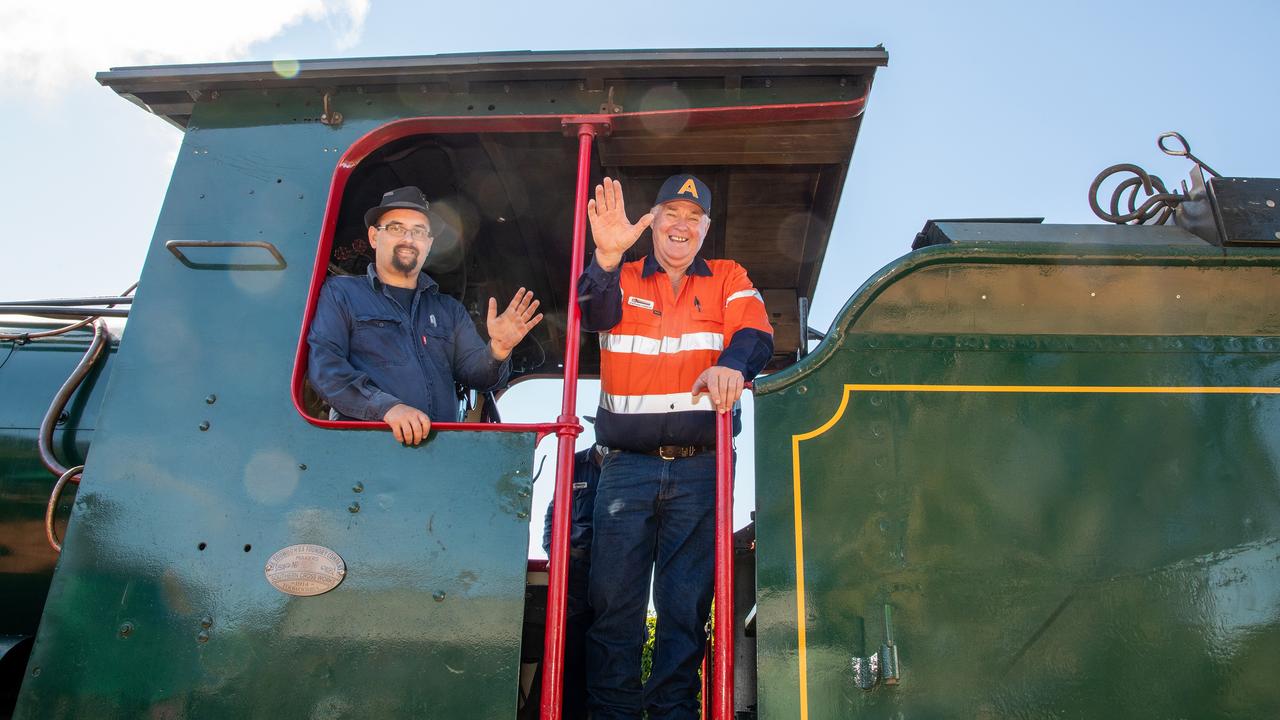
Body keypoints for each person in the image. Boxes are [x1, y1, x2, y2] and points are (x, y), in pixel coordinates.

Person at [577, 174, 774, 719]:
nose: (681, 225)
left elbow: (755, 333)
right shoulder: (621, 274)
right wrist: (607, 257)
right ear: (653, 222)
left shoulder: (730, 276)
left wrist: (733, 366)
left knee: (685, 606)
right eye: (671, 213)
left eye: (693, 216)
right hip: (625, 470)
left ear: (705, 229)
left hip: (701, 470)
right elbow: (591, 313)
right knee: (614, 604)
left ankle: (673, 714)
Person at [308, 186, 543, 445]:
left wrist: (498, 349)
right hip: (366, 454)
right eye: (396, 228)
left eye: (419, 231)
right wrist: (387, 408)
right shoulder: (341, 293)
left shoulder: (449, 310)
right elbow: (327, 371)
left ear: (429, 244)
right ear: (374, 237)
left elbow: (479, 377)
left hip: (438, 457)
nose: (408, 239)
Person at [540, 441, 604, 720]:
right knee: (571, 649)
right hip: (576, 567)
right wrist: (555, 553)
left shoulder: (631, 464)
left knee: (611, 647)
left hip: (617, 568)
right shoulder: (574, 462)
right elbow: (553, 514)